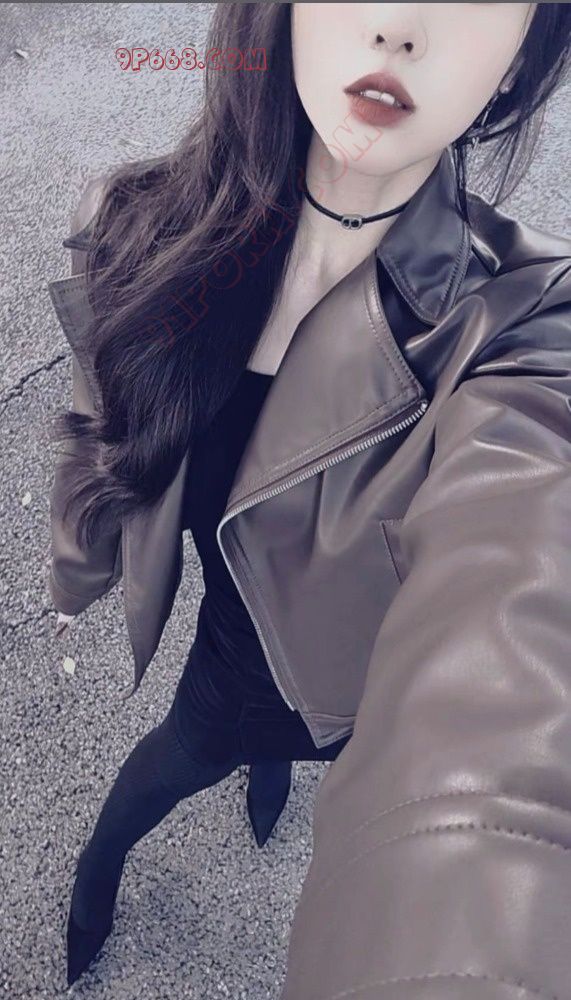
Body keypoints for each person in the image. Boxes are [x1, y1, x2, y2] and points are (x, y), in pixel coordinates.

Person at [46, 3, 571, 995]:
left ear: (516, 63)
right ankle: (94, 873)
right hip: (235, 663)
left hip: (368, 696)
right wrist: (76, 574)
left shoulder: (520, 323)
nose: (400, 27)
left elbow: (531, 587)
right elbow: (97, 433)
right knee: (169, 769)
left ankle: (272, 768)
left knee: (270, 757)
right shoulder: (137, 223)